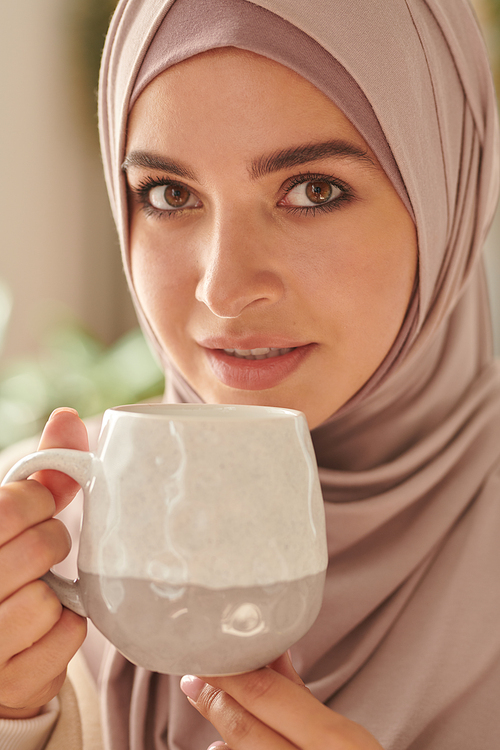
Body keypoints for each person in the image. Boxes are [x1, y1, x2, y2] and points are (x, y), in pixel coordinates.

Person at [1, 0, 500, 748]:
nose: (223, 288)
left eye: (313, 190)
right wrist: (20, 719)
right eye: (170, 195)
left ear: (450, 198)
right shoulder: (44, 543)